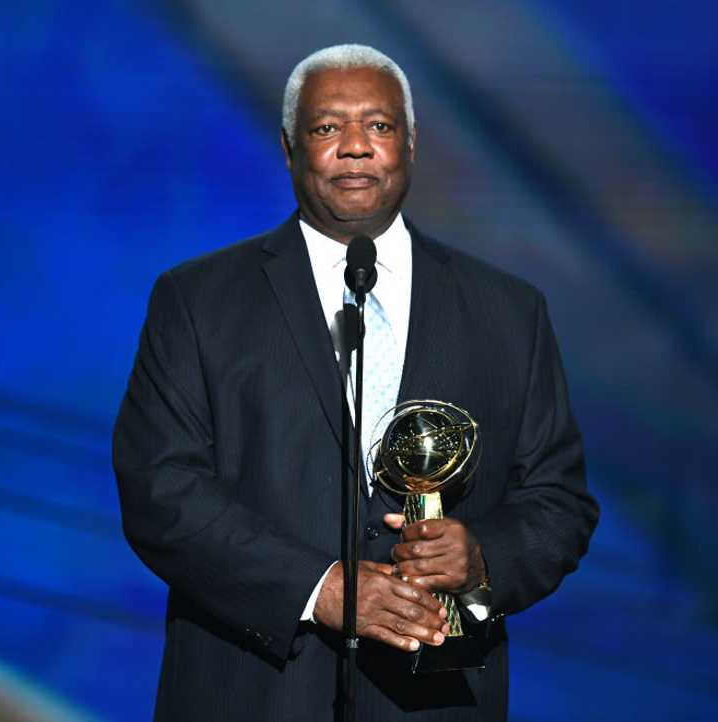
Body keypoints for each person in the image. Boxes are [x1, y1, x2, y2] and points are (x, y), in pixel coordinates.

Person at [113, 44, 598, 721]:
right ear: (289, 149)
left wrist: (483, 557)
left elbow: (559, 503)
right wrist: (322, 590)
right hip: (252, 692)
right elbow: (161, 492)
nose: (354, 148)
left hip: (434, 701)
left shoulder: (509, 312)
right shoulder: (197, 301)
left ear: (410, 143)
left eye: (378, 125)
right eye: (325, 127)